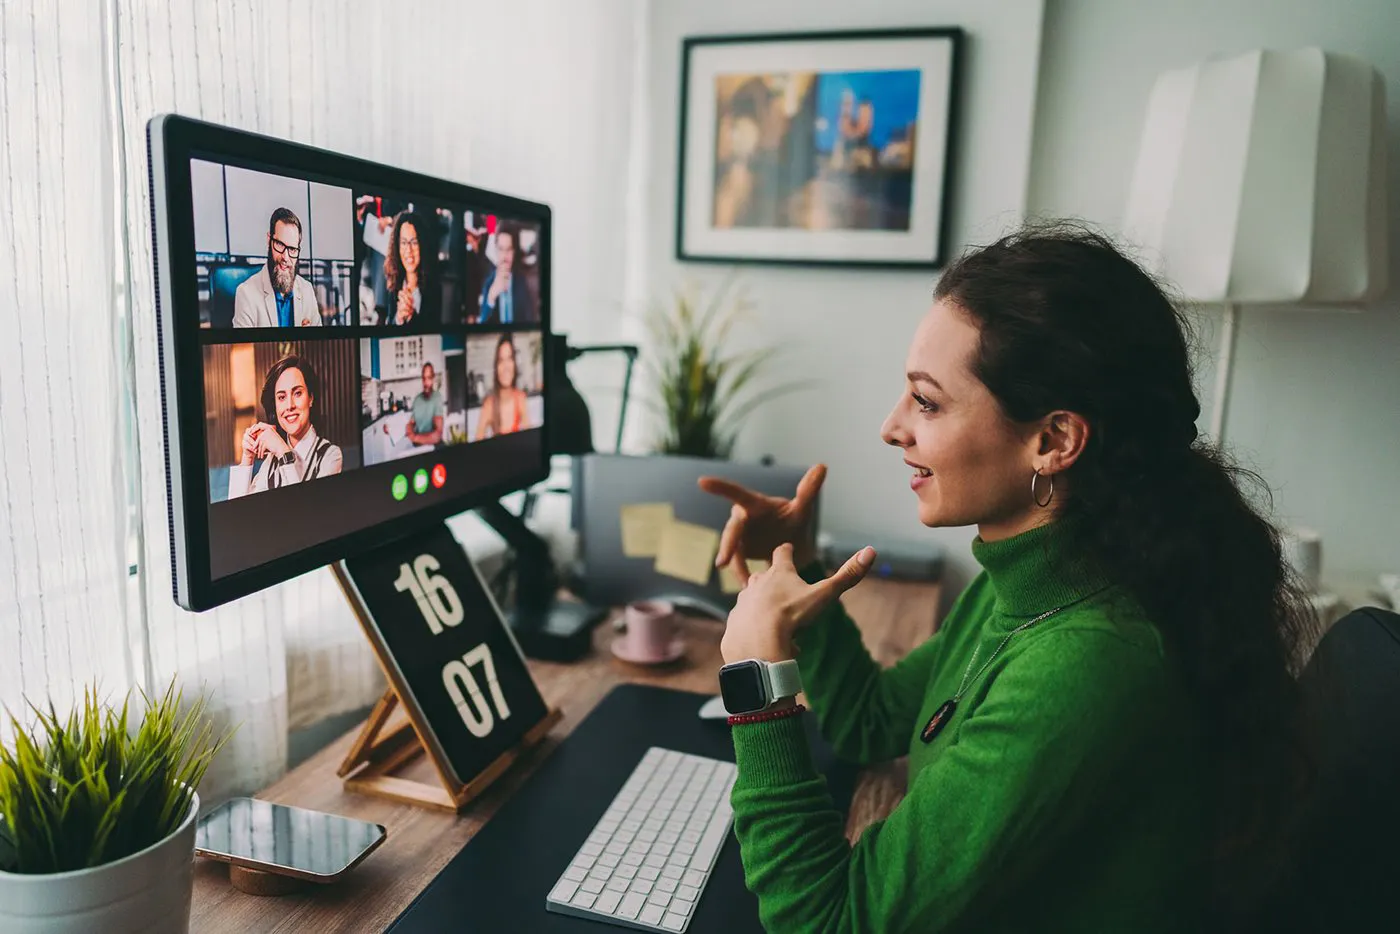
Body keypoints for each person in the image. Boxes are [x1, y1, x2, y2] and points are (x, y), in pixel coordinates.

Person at [699, 224, 1310, 933]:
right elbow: (869, 725)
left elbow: (828, 923)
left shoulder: (1087, 664)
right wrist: (801, 564)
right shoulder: (1032, 579)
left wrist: (755, 677)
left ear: (1052, 442)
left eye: (927, 402)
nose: (892, 428)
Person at [229, 355, 342, 497]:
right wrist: (247, 458)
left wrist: (283, 452)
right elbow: (239, 513)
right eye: (282, 397)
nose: (289, 406)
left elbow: (307, 511)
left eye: (298, 393)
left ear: (311, 398)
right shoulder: (271, 462)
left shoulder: (330, 455)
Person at [232, 208, 321, 328]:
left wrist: (309, 340)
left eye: (292, 249)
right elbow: (243, 346)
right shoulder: (246, 294)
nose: (285, 257)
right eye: (279, 244)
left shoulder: (307, 290)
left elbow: (320, 344)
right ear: (269, 240)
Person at [383, 211, 441, 327]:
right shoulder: (393, 288)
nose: (408, 250)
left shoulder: (436, 288)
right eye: (404, 243)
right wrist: (399, 318)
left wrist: (411, 315)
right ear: (397, 247)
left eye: (414, 242)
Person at [477, 225, 537, 324]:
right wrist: (491, 297)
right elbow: (481, 328)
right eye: (501, 249)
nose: (504, 256)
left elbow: (530, 321)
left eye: (509, 249)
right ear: (496, 249)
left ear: (514, 252)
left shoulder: (523, 282)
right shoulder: (488, 283)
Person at [474, 334, 531, 439]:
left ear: (514, 364)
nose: (506, 366)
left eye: (510, 358)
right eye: (501, 360)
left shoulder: (520, 398)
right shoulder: (489, 405)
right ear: (496, 367)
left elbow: (531, 438)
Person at [385, 361, 444, 447]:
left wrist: (415, 437)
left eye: (429, 378)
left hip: (434, 447)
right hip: (418, 447)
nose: (426, 382)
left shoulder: (437, 397)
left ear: (433, 378)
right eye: (424, 378)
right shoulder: (417, 400)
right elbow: (411, 424)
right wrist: (391, 428)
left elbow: (437, 436)